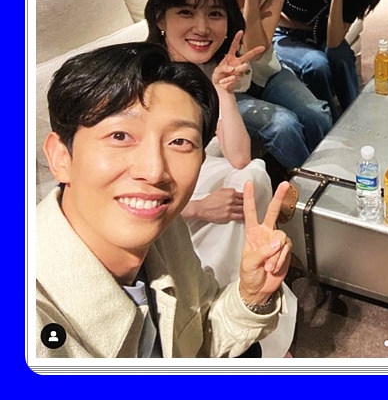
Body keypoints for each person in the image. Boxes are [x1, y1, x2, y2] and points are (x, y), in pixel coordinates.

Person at [37, 42, 294, 357]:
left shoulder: (166, 234)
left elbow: (198, 337)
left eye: (180, 141)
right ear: (60, 157)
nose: (154, 171)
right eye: (120, 136)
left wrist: (251, 296)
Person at [144, 0, 298, 356]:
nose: (202, 27)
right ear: (160, 18)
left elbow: (240, 156)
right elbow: (135, 177)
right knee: (246, 184)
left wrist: (223, 92)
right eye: (186, 12)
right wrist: (197, 208)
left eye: (214, 13)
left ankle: (243, 296)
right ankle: (222, 311)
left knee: (251, 176)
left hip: (192, 176)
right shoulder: (145, 79)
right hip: (156, 197)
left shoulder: (204, 72)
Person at [163, 0, 332, 171]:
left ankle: (329, 175)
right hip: (222, 83)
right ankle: (309, 185)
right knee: (283, 124)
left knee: (316, 113)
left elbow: (257, 51)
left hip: (264, 72)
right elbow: (185, 29)